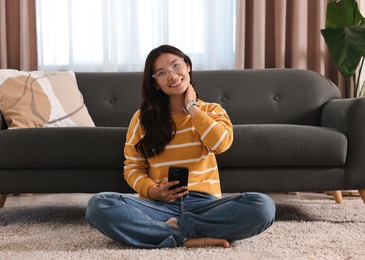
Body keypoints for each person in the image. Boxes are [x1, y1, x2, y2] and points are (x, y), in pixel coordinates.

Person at [85, 44, 275, 249]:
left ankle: (172, 230)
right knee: (99, 205)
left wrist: (192, 107)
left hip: (205, 205)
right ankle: (186, 237)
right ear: (156, 83)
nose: (172, 75)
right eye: (162, 73)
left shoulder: (211, 111)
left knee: (262, 207)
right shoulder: (142, 118)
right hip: (159, 206)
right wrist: (153, 191)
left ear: (188, 66)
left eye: (176, 66)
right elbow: (132, 168)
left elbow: (221, 143)